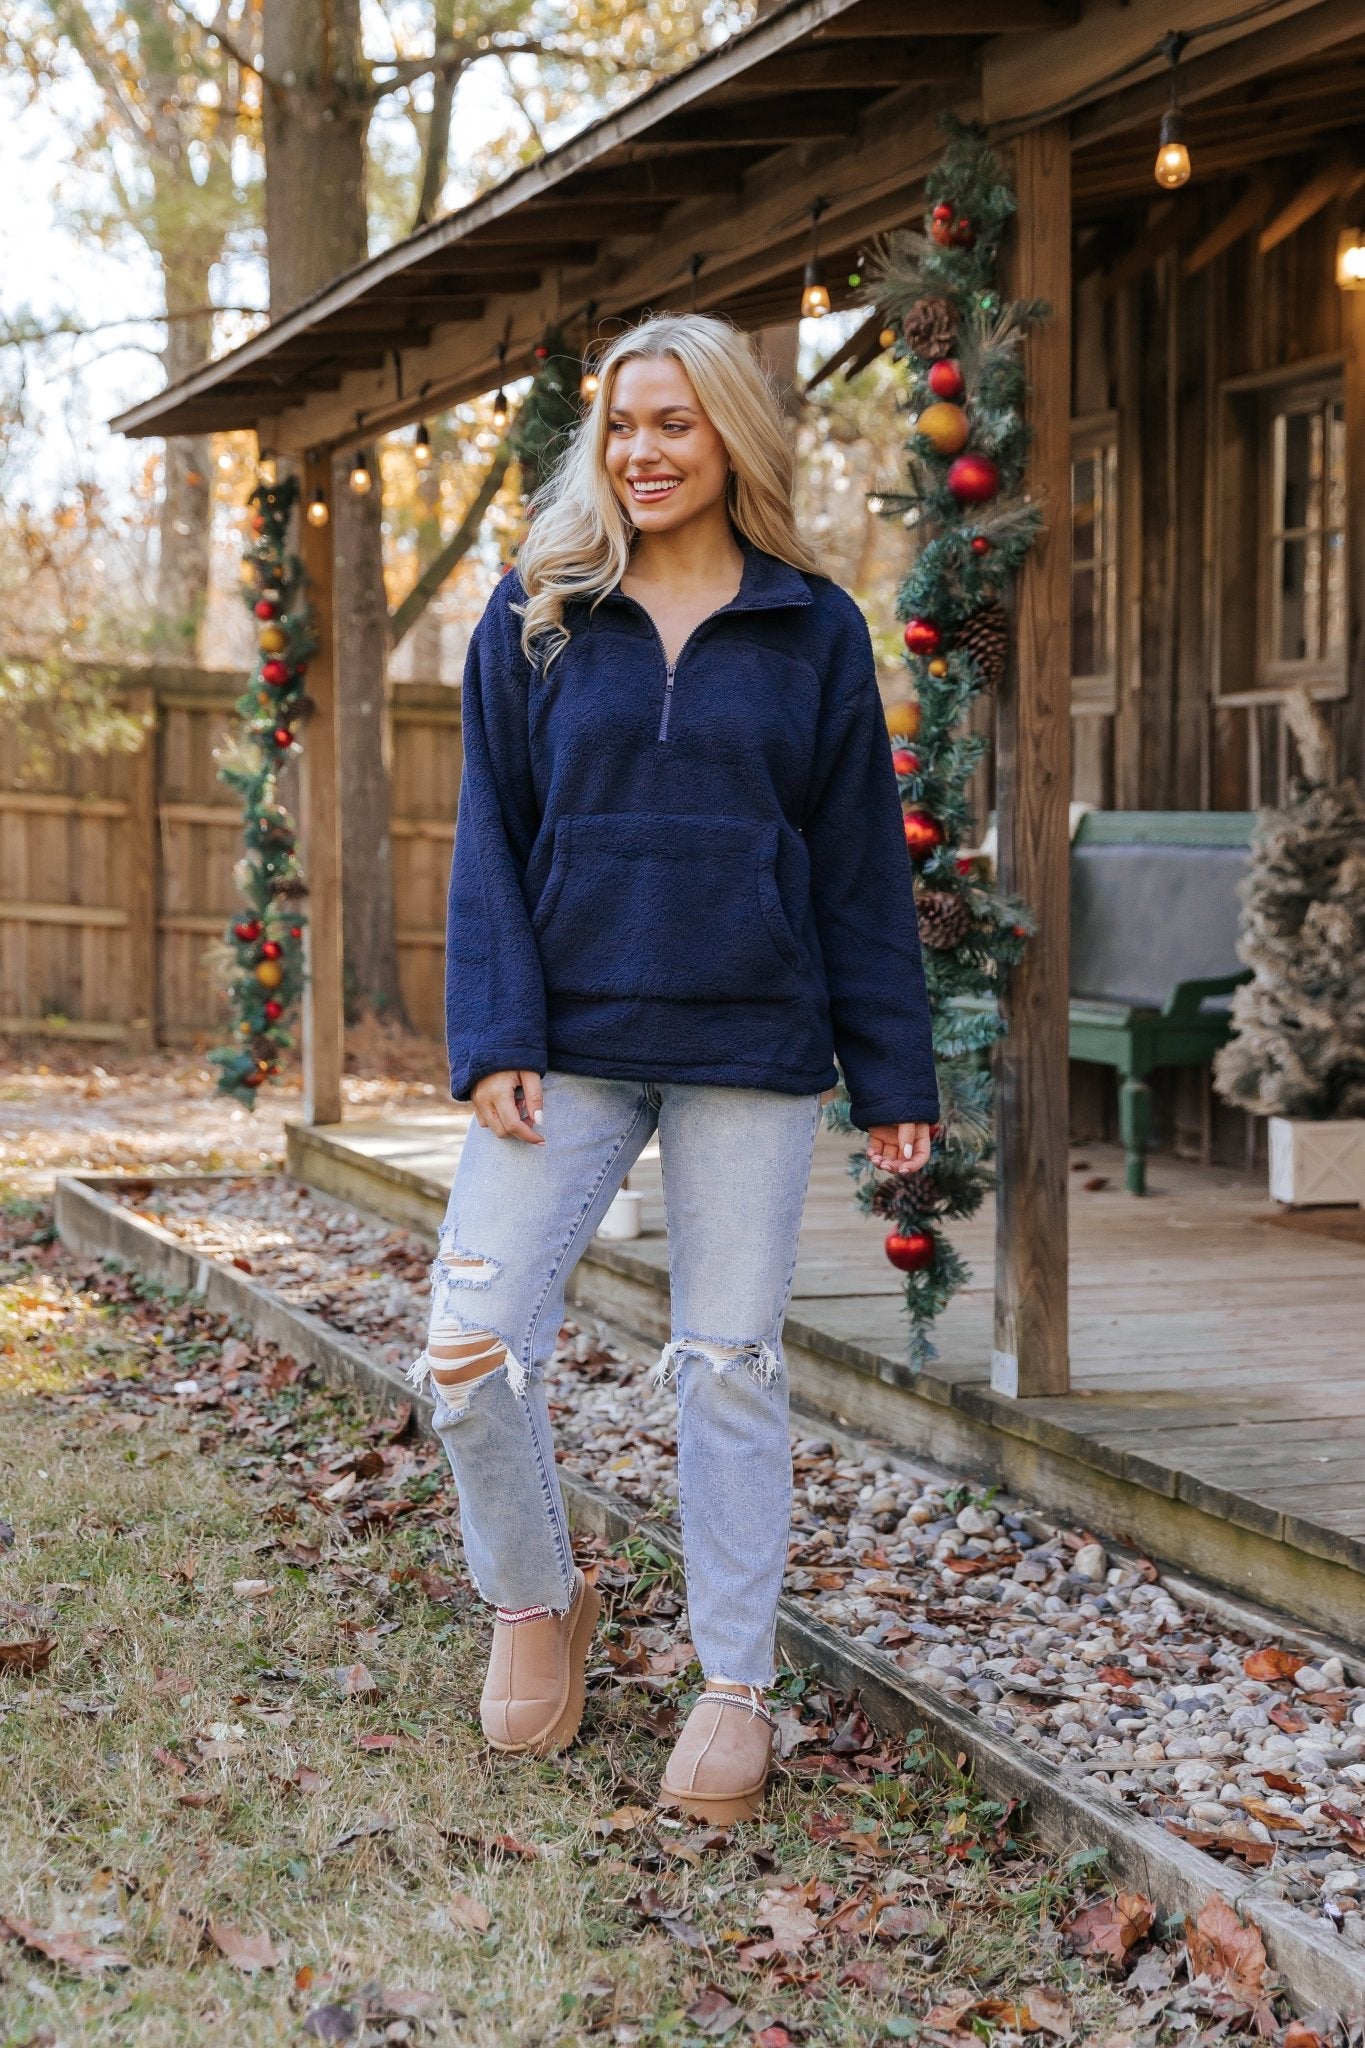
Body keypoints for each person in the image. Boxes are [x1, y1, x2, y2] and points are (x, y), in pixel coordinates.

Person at [408, 311, 938, 1825]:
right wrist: (494, 1035)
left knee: (726, 1366)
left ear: (730, 439)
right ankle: (535, 1601)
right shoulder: (537, 614)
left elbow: (857, 868)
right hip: (564, 1044)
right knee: (468, 1346)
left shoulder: (812, 629)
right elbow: (491, 837)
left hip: (750, 1050)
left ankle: (732, 1685)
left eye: (674, 423)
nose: (641, 451)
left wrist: (892, 1076)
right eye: (622, 424)